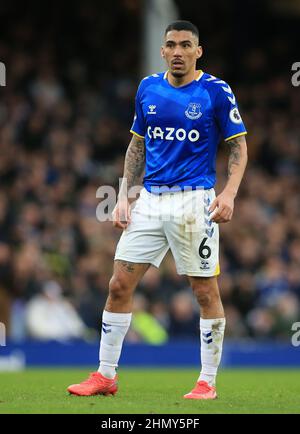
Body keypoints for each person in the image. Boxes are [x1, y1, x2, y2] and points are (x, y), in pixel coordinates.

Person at [67, 20, 248, 399]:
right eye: (171, 44)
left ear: (198, 51)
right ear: (163, 51)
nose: (178, 51)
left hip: (194, 200)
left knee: (203, 291)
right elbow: (137, 146)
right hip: (149, 199)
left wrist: (229, 193)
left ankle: (207, 382)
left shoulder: (216, 91)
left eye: (186, 45)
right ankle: (105, 375)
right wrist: (122, 195)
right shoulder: (148, 87)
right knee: (118, 285)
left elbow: (238, 147)